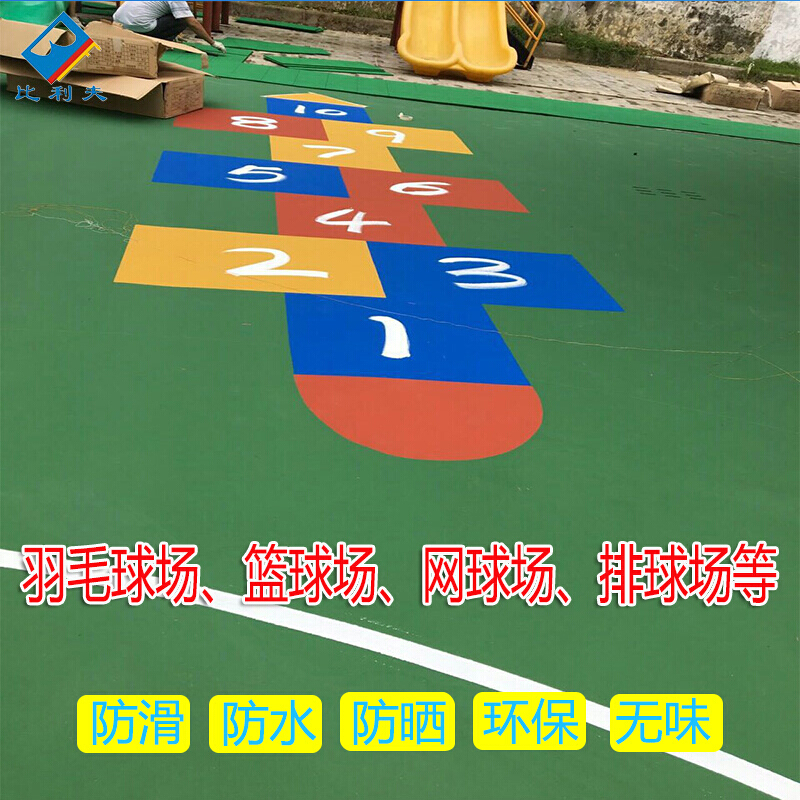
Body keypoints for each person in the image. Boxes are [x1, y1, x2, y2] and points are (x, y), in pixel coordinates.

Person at [113, 1, 226, 50]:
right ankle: (162, 44)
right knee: (183, 20)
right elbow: (192, 23)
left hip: (118, 22)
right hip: (139, 25)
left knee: (178, 13)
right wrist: (212, 42)